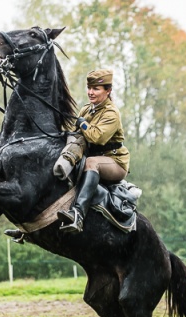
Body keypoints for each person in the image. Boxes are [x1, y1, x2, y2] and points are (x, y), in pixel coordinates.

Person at [56, 69, 130, 233]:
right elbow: (75, 133)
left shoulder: (112, 113)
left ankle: (77, 215)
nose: (90, 92)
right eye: (89, 88)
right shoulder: (87, 109)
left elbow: (97, 138)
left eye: (96, 88)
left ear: (108, 90)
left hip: (115, 162)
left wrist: (83, 124)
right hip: (94, 157)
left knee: (91, 163)